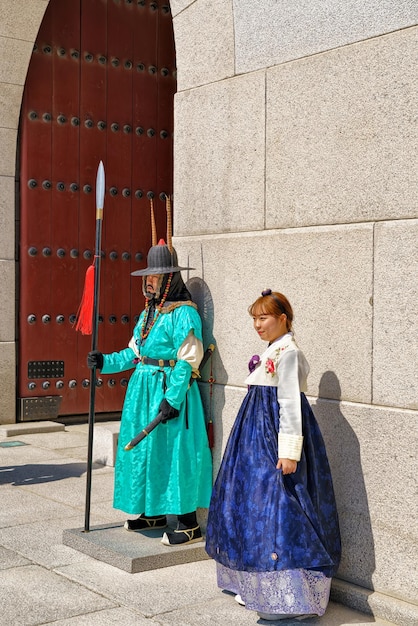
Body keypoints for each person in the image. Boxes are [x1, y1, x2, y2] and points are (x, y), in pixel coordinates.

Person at [205, 289, 341, 620]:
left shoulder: (289, 353)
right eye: (254, 318)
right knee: (256, 509)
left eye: (263, 317)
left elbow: (291, 405)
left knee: (281, 511)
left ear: (283, 318)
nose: (257, 324)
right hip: (255, 436)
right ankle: (256, 583)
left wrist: (290, 452)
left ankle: (291, 597)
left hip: (273, 441)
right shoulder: (274, 349)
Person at [87, 236, 213, 546]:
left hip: (169, 391)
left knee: (173, 454)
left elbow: (187, 360)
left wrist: (172, 399)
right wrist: (105, 361)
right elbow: (134, 353)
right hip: (141, 393)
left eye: (155, 277)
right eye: (148, 277)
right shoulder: (148, 315)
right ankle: (151, 511)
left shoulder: (185, 313)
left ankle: (187, 523)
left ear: (170, 278)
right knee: (145, 452)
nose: (149, 283)